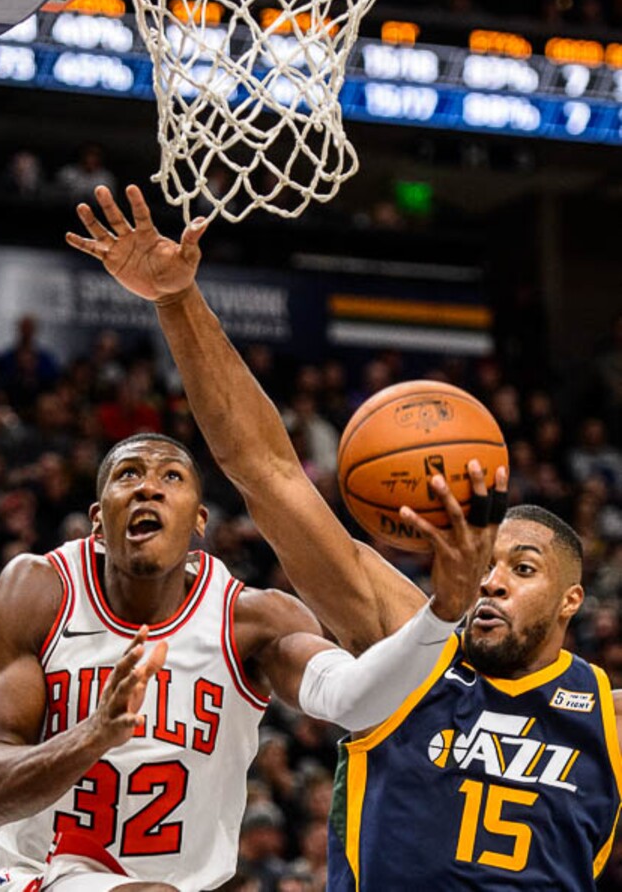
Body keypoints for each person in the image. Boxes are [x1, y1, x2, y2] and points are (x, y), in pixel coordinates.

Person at [65, 185, 622, 889]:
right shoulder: (410, 647)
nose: (492, 578)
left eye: (523, 567)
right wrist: (178, 302)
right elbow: (268, 473)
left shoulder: (608, 718)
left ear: (572, 599)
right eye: (489, 558)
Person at [0, 424, 496, 892]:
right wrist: (94, 734)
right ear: (98, 522)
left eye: (171, 477)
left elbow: (351, 700)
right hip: (34, 876)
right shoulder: (40, 591)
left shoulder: (252, 621)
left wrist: (442, 613)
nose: (149, 486)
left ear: (199, 522)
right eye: (128, 474)